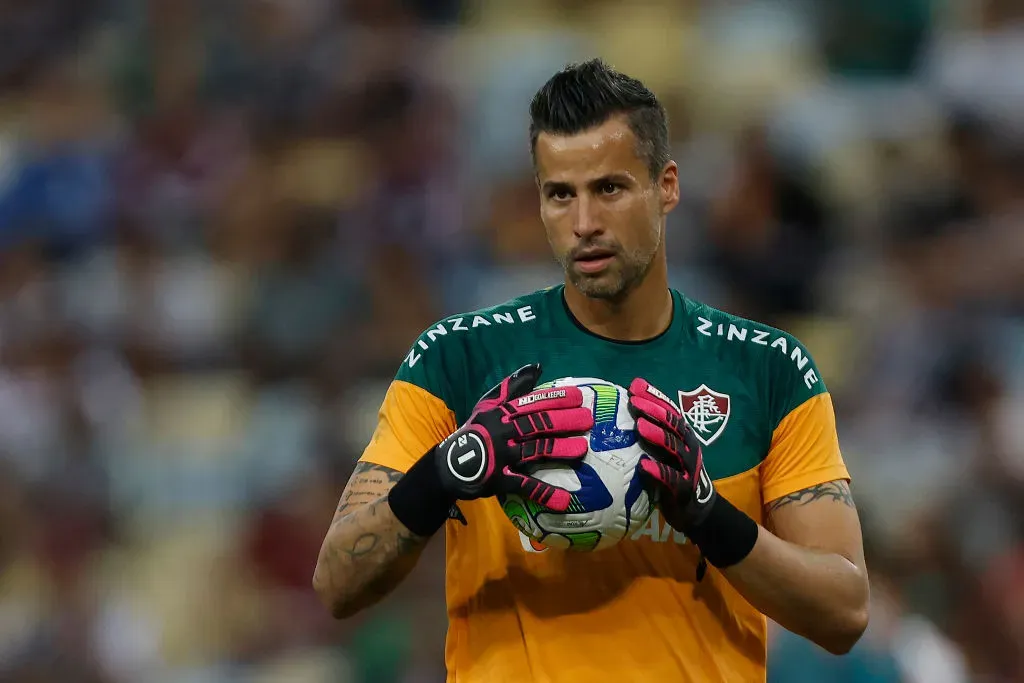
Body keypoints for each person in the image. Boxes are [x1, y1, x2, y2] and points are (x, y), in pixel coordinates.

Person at [313, 58, 869, 682]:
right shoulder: (458, 357)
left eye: (609, 188)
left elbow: (844, 611)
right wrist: (445, 473)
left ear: (666, 186)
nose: (584, 224)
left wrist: (709, 514)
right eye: (560, 195)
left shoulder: (767, 367)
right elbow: (337, 583)